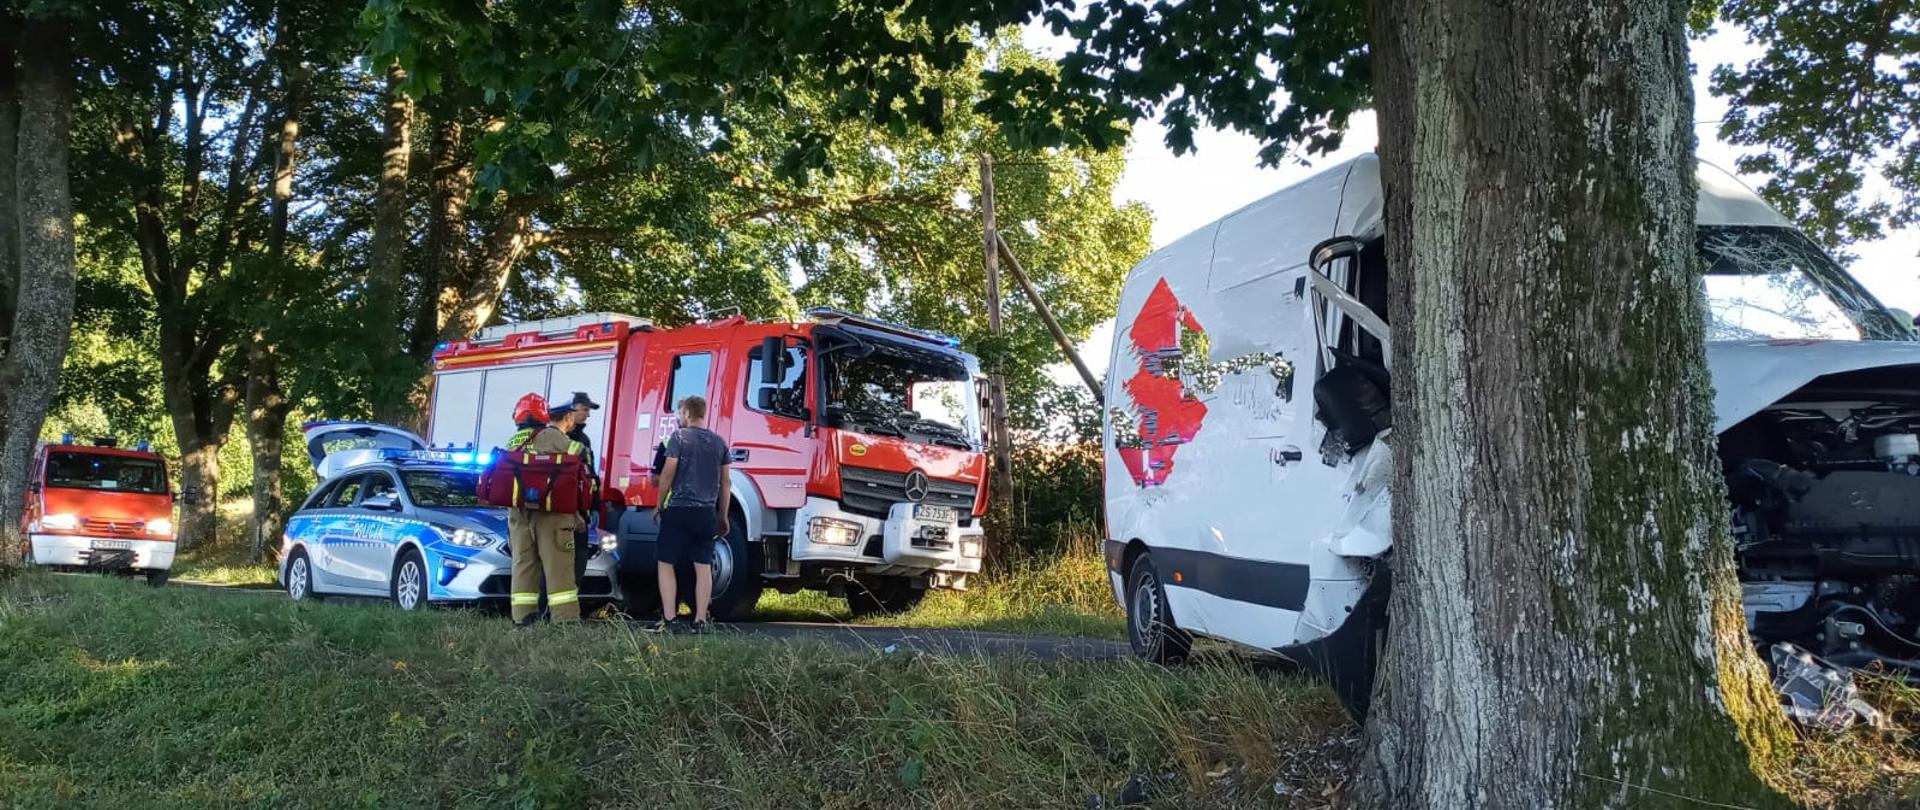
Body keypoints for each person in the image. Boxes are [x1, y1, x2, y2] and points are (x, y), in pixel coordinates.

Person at [504, 393, 587, 626]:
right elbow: (580, 453)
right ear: (543, 414)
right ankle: (565, 619)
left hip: (519, 512)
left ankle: (523, 616)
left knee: (523, 563)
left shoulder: (513, 440)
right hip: (551, 510)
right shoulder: (549, 435)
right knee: (558, 563)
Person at [650, 395, 732, 633]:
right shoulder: (719, 442)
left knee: (665, 562)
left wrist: (658, 504)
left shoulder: (679, 437)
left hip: (679, 510)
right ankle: (700, 620)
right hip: (706, 512)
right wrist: (723, 515)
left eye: (680, 413)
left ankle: (669, 619)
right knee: (703, 565)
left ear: (686, 413)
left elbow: (667, 473)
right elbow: (725, 483)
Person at [561, 391, 602, 587]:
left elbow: (587, 474)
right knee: (564, 560)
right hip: (567, 509)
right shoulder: (561, 437)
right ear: (572, 410)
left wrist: (595, 504)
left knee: (579, 559)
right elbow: (566, 478)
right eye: (585, 409)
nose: (588, 414)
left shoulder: (583, 439)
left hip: (582, 509)